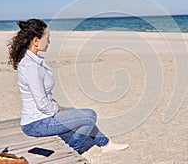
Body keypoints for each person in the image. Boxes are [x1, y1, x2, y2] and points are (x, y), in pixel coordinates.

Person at [7, 18, 128, 154]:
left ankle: (105, 143)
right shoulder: (31, 67)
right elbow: (42, 103)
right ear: (36, 41)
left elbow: (44, 96)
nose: (49, 42)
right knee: (89, 116)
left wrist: (62, 109)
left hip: (43, 116)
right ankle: (72, 151)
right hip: (36, 123)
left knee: (80, 114)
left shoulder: (33, 61)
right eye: (47, 38)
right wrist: (58, 109)